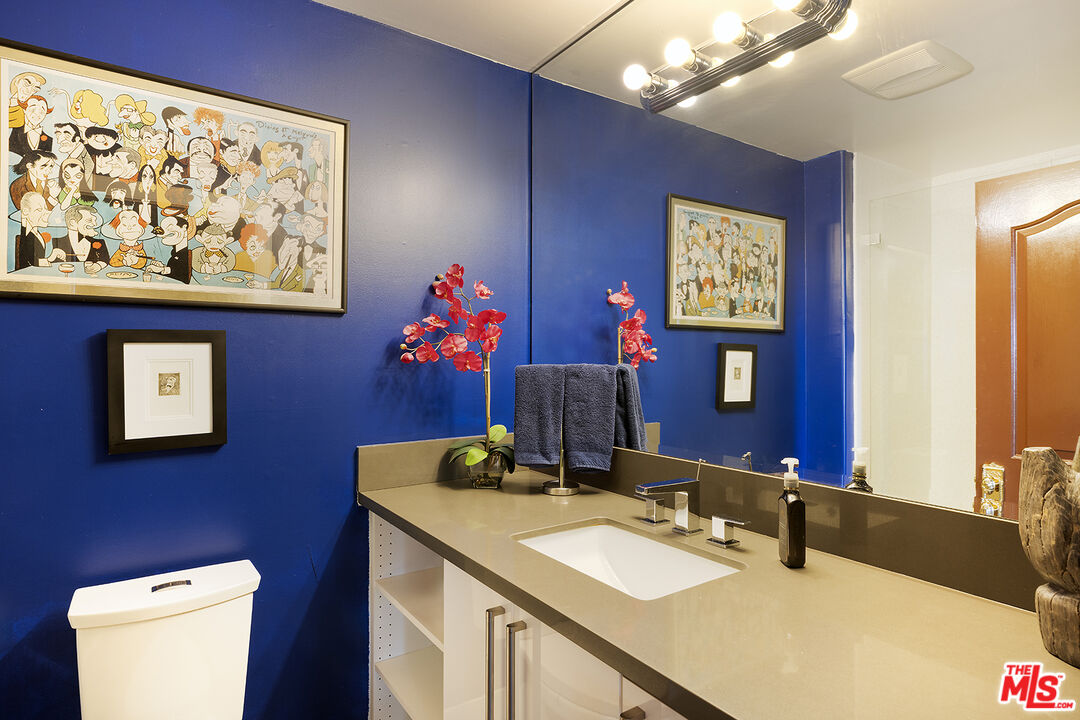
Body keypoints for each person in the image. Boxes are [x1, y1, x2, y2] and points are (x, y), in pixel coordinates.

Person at [53, 205, 109, 273]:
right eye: (89, 220)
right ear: (73, 223)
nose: (94, 224)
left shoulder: (100, 243)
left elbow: (105, 259)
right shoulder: (57, 243)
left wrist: (99, 265)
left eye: (94, 220)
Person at [15, 192, 63, 269]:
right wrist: (50, 258)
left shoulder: (37, 233)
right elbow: (31, 262)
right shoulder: (27, 236)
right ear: (26, 212)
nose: (46, 213)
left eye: (45, 208)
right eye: (39, 209)